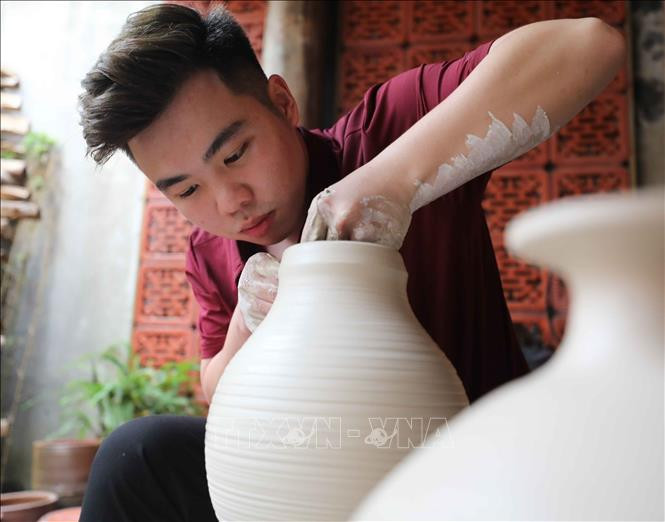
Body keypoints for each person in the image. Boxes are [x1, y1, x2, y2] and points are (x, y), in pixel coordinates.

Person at [77, 4, 625, 521]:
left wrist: (395, 180)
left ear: (282, 104)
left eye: (235, 154)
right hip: (304, 484)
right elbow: (215, 389)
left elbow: (590, 45)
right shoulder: (209, 249)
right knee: (135, 456)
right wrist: (247, 320)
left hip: (468, 474)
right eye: (187, 190)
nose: (229, 202)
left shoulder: (386, 134)